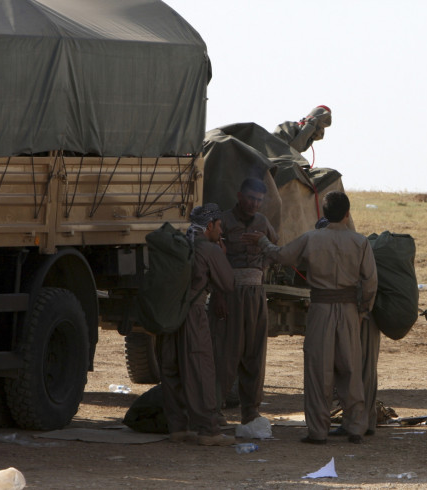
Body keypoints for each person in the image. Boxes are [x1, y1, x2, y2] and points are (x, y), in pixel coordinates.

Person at [244, 191, 378, 444]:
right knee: (351, 370)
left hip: (320, 309)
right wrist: (362, 310)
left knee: (318, 371)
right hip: (349, 310)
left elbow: (281, 255)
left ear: (323, 214)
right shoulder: (360, 242)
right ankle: (356, 428)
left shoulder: (311, 238)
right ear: (347, 213)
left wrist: (262, 241)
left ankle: (318, 431)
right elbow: (370, 282)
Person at [160, 203, 236, 446]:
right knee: (201, 368)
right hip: (193, 315)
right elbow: (228, 283)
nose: (221, 230)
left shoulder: (180, 244)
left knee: (173, 370)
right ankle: (208, 430)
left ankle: (178, 428)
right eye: (219, 226)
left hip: (171, 314)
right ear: (210, 226)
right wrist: (221, 256)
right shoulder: (208, 249)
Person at [211, 177, 278, 426]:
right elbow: (213, 259)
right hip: (229, 293)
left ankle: (250, 411)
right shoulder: (224, 222)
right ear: (239, 196)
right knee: (226, 353)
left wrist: (262, 266)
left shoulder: (263, 222)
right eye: (250, 198)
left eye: (259, 200)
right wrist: (219, 293)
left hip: (257, 295)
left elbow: (274, 249)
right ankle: (214, 410)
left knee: (255, 353)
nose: (254, 204)